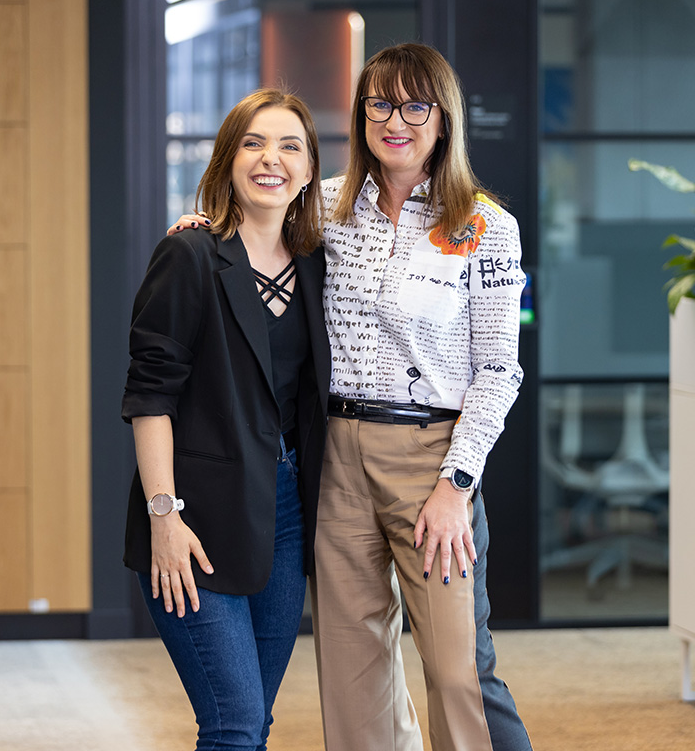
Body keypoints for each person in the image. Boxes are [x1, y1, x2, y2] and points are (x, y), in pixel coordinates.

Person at [170, 43, 532, 751]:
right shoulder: (328, 207)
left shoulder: (485, 226)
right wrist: (200, 229)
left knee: (460, 671)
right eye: (379, 103)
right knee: (353, 670)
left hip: (434, 457)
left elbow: (499, 370)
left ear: (443, 118)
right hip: (336, 457)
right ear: (363, 112)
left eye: (413, 105)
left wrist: (458, 482)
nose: (394, 120)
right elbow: (256, 224)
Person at [122, 88, 330, 751]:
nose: (272, 159)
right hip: (196, 518)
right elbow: (151, 395)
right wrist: (163, 515)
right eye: (254, 142)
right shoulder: (189, 256)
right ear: (227, 159)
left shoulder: (320, 265)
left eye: (290, 146)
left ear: (309, 170)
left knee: (254, 723)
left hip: (287, 515)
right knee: (234, 725)